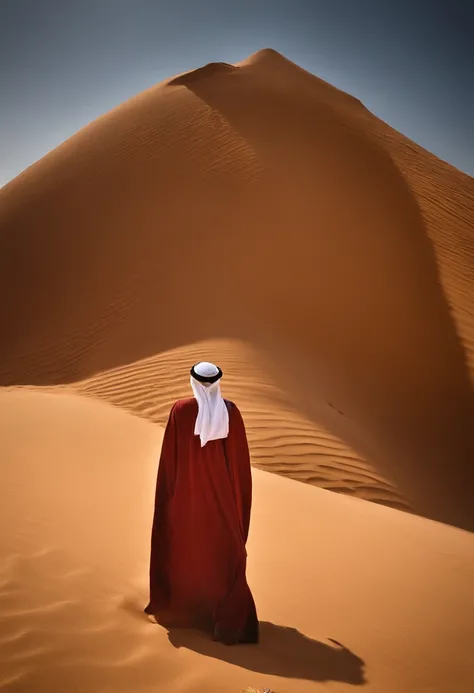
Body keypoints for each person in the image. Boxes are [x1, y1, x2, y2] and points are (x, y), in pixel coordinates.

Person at [144, 361, 259, 645]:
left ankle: (185, 612)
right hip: (222, 504)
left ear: (192, 381)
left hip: (185, 499)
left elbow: (170, 461)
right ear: (218, 382)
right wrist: (238, 506)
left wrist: (169, 498)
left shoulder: (180, 411)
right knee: (224, 556)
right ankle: (225, 621)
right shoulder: (230, 413)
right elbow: (239, 467)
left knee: (185, 551)